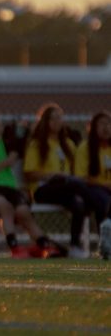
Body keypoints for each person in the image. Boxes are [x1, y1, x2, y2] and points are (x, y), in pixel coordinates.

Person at [0, 110, 61, 258]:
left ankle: (44, 245)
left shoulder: (3, 144)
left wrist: (21, 130)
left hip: (8, 188)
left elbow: (18, 143)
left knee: (23, 211)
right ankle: (14, 247)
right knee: (5, 206)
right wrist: (5, 163)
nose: (0, 128)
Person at [23, 103, 94, 258]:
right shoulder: (37, 144)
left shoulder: (68, 144)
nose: (57, 122)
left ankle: (75, 246)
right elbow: (29, 174)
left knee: (78, 204)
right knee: (77, 186)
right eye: (52, 118)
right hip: (43, 189)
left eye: (60, 118)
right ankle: (95, 202)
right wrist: (51, 175)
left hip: (68, 187)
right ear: (45, 122)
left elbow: (77, 171)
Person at [74, 111, 111, 257]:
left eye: (109, 124)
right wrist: (105, 185)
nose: (106, 127)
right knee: (104, 200)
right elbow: (81, 177)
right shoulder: (85, 148)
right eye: (102, 124)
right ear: (93, 127)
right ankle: (106, 239)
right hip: (91, 189)